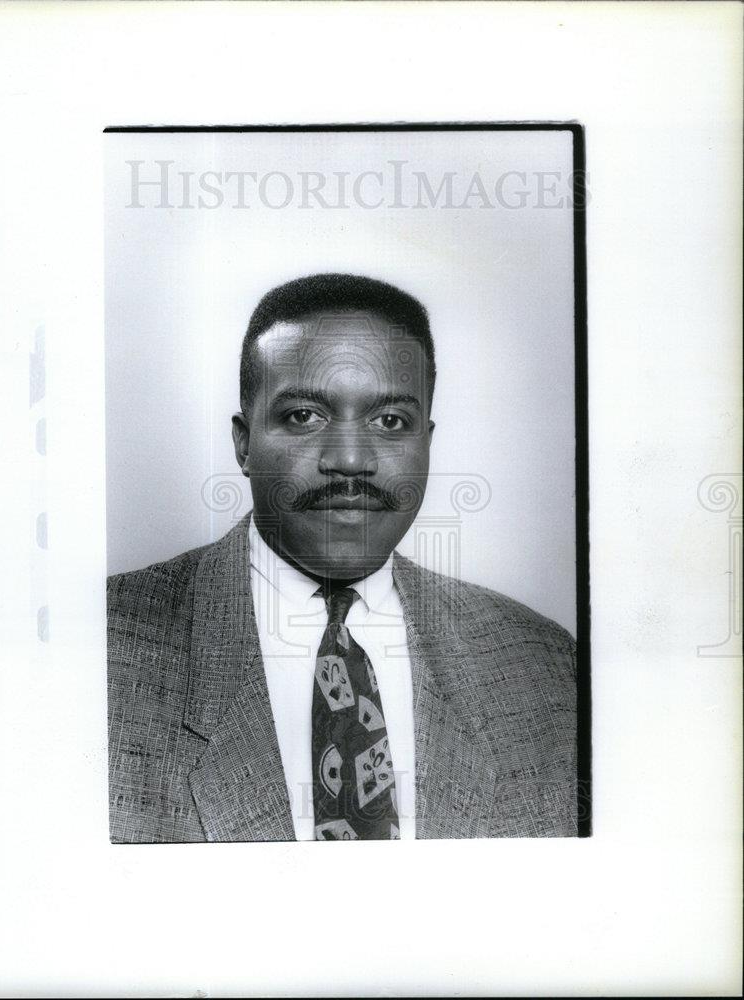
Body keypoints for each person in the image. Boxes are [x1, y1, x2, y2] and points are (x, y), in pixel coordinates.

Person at [108, 272, 577, 842]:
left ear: (427, 441)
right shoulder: (104, 649)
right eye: (304, 415)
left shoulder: (546, 667)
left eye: (390, 422)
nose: (352, 460)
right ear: (242, 442)